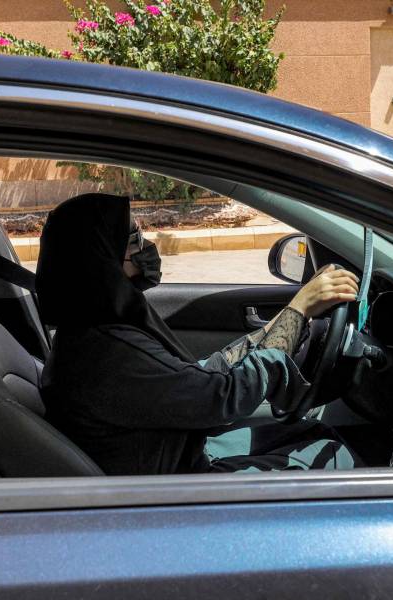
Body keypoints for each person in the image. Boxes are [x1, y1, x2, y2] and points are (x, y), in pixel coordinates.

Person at [36, 193, 362, 475]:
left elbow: (200, 378)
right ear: (102, 262)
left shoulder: (97, 332)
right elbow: (219, 398)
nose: (146, 248)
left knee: (315, 431)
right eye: (133, 240)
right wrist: (298, 313)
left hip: (180, 452)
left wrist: (288, 316)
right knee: (338, 458)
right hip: (177, 486)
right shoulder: (106, 355)